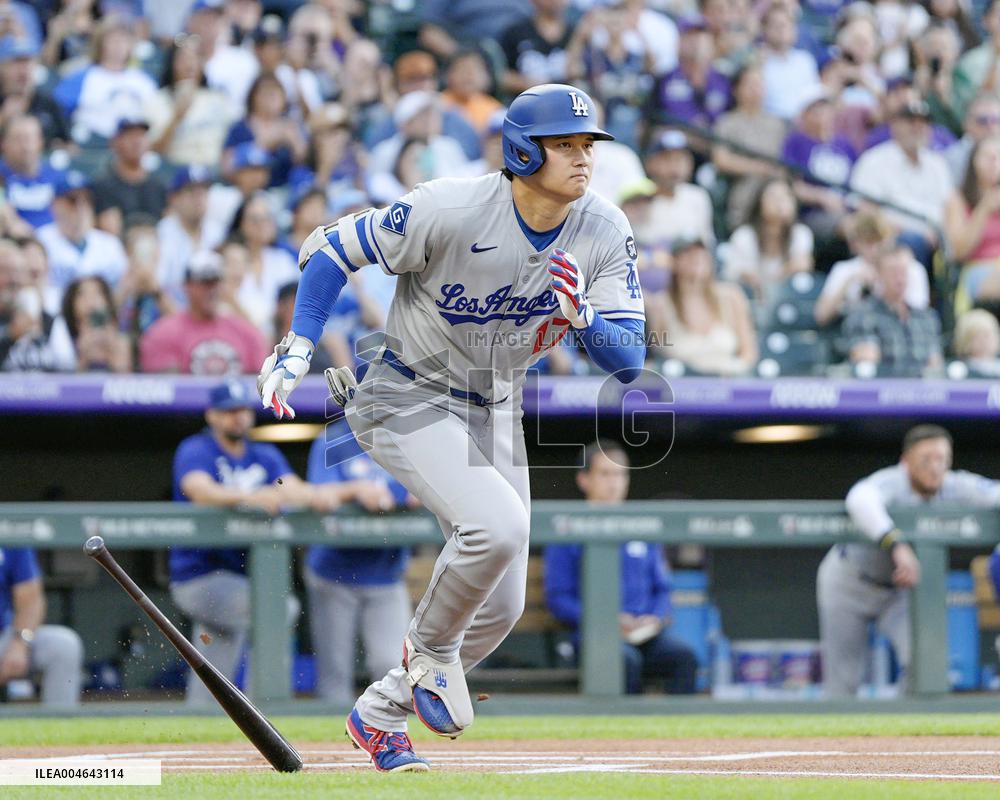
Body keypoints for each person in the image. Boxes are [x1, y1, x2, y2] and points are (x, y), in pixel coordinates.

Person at [257, 83, 645, 771]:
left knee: (499, 605)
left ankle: (379, 715)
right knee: (497, 529)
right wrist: (298, 345)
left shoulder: (603, 227)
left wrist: (585, 318)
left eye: (587, 145)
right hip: (406, 391)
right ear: (524, 150)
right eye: (565, 145)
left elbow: (632, 363)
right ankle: (430, 655)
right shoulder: (450, 205)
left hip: (495, 401)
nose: (583, 158)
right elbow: (331, 250)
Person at [168, 379, 336, 705]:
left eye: (243, 410)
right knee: (278, 607)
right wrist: (249, 497)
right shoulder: (197, 449)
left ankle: (204, 721)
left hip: (241, 579)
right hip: (199, 577)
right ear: (212, 416)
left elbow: (292, 486)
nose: (238, 417)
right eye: (229, 411)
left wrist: (316, 496)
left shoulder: (263, 454)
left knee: (216, 655)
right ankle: (263, 706)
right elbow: (198, 489)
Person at [818, 425, 1000, 697]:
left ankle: (896, 734)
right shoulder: (892, 481)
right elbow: (859, 499)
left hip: (899, 592)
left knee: (923, 662)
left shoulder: (954, 484)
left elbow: (994, 491)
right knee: (843, 680)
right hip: (849, 581)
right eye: (926, 459)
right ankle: (836, 740)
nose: (935, 467)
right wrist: (896, 543)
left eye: (942, 459)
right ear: (906, 461)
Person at [544, 441, 697, 696]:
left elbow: (662, 589)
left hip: (644, 635)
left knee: (684, 657)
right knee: (626, 661)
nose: (614, 482)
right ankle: (626, 735)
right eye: (605, 474)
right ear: (584, 480)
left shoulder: (641, 527)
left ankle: (679, 735)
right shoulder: (567, 529)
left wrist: (655, 617)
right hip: (595, 635)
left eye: (620, 474)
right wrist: (606, 620)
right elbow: (559, 599)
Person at [304, 419, 416, 704]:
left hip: (387, 573)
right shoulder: (335, 437)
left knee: (391, 666)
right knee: (335, 673)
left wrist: (414, 492)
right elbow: (319, 495)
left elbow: (424, 490)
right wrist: (356, 490)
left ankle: (388, 736)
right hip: (334, 572)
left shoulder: (406, 436)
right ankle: (333, 744)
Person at [849, 99, 954, 268]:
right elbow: (866, 210)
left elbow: (951, 207)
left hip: (940, 236)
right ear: (894, 125)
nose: (918, 127)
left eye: (923, 123)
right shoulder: (874, 160)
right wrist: (915, 231)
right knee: (911, 241)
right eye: (911, 122)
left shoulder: (938, 164)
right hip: (894, 237)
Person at [140, 250, 269, 375]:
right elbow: (169, 387)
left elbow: (259, 386)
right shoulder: (163, 333)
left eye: (217, 282)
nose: (212, 290)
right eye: (205, 283)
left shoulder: (247, 333)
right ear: (187, 286)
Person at [654, 236, 757, 375]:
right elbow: (658, 353)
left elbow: (748, 353)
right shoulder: (660, 304)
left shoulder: (732, 297)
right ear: (674, 262)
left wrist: (736, 373)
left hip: (729, 381)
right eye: (687, 253)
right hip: (683, 385)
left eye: (701, 253)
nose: (696, 258)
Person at [814, 210, 929, 327]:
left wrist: (885, 285)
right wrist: (850, 283)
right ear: (855, 244)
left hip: (896, 335)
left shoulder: (911, 269)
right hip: (853, 334)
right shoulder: (844, 270)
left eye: (879, 241)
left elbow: (918, 316)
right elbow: (821, 316)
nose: (875, 249)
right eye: (868, 243)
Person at [842, 243, 943, 376]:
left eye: (904, 271)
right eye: (893, 272)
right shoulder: (863, 313)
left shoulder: (926, 317)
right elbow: (867, 368)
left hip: (923, 393)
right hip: (881, 392)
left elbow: (935, 367)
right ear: (878, 274)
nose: (900, 278)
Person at [0, 547, 83, 706]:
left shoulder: (11, 535)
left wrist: (20, 643)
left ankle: (60, 725)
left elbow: (31, 600)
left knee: (63, 645)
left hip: (4, 638)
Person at [712, 60, 788, 230]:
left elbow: (786, 160)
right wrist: (758, 168)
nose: (756, 89)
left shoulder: (777, 124)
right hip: (744, 186)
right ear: (736, 89)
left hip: (775, 186)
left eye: (760, 84)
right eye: (750, 84)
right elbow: (721, 160)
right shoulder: (727, 122)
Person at [144, 32, 233, 168]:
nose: (189, 63)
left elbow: (232, 143)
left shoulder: (218, 99)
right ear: (172, 63)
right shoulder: (157, 100)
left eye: (195, 57)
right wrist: (177, 117)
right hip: (173, 170)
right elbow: (154, 150)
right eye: (183, 58)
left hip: (212, 171)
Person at [722, 177, 814, 303]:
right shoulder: (744, 236)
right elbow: (747, 280)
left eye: (786, 196)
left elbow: (803, 265)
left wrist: (777, 278)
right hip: (746, 301)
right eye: (774, 197)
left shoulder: (801, 234)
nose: (781, 203)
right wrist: (786, 272)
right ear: (760, 202)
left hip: (785, 301)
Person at [36, 171, 128, 295]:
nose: (81, 207)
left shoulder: (110, 244)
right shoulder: (39, 241)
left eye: (86, 200)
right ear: (54, 205)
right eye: (72, 200)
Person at [633, 130, 714, 253]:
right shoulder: (638, 198)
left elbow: (707, 245)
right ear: (650, 163)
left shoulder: (698, 196)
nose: (675, 166)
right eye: (667, 159)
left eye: (681, 159)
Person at [945, 136, 1000, 313]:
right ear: (973, 161)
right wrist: (984, 209)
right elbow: (960, 251)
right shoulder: (957, 200)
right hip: (977, 269)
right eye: (988, 156)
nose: (994, 162)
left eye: (998, 156)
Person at [91, 117, 167, 239]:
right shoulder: (103, 185)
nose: (136, 142)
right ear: (115, 142)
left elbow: (167, 226)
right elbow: (110, 232)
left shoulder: (158, 186)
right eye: (130, 136)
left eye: (141, 136)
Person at [0, 113, 65, 229]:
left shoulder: (60, 178)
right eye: (18, 139)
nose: (25, 146)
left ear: (41, 141)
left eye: (30, 138)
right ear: (3, 143)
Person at [952, 308, 1000, 377]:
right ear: (965, 340)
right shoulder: (959, 371)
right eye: (977, 336)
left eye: (987, 335)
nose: (984, 341)